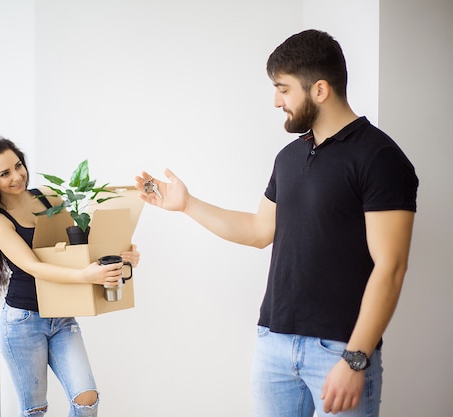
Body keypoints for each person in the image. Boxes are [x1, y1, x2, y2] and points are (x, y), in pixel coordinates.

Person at [136, 29, 418, 417]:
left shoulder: (380, 158)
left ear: (319, 90)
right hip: (274, 343)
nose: (275, 101)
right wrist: (187, 205)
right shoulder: (288, 157)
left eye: (283, 89)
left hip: (339, 350)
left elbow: (391, 267)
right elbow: (257, 230)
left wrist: (356, 357)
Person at [0, 136, 140, 417]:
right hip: (22, 322)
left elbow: (80, 245)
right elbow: (34, 266)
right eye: (5, 173)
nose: (17, 176)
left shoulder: (47, 198)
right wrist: (86, 275)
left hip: (62, 314)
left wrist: (120, 256)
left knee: (86, 399)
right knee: (35, 411)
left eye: (18, 166)